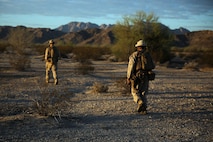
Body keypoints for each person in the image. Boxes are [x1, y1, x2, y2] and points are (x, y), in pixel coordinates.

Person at [127, 39, 155, 115]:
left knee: (135, 91)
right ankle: (144, 109)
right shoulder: (148, 55)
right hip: (146, 75)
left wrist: (129, 77)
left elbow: (131, 66)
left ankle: (139, 102)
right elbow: (152, 65)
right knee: (143, 92)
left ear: (137, 47)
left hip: (136, 75)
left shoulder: (134, 55)